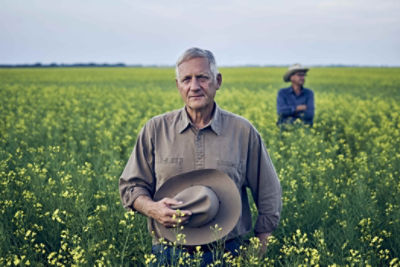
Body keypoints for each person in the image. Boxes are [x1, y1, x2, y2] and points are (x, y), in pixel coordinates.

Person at [119, 47, 282, 266]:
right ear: (178, 86)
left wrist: (262, 242)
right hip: (168, 252)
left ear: (218, 81)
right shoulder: (155, 129)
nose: (194, 87)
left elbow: (268, 190)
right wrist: (153, 209)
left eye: (202, 78)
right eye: (186, 79)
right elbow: (130, 187)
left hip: (226, 252)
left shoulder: (242, 131)